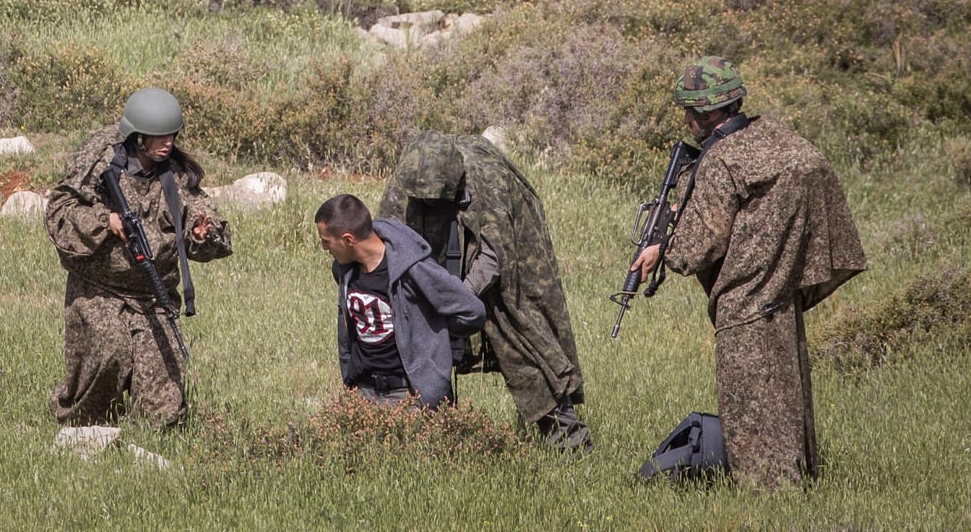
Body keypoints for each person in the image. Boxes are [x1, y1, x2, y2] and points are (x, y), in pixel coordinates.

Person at [632, 55, 867, 489]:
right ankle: (799, 479)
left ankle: (768, 492)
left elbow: (695, 250)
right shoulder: (779, 140)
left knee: (752, 402)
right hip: (782, 292)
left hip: (744, 301)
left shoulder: (722, 160)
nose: (686, 120)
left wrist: (664, 242)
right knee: (787, 395)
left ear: (710, 112)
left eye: (690, 111)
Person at [376, 132, 591, 452]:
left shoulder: (487, 184)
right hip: (428, 268)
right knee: (417, 335)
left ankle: (568, 442)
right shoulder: (406, 184)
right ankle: (431, 437)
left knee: (524, 340)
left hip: (502, 271)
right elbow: (386, 243)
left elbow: (495, 256)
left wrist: (459, 297)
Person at [45, 86, 232, 429]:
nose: (168, 144)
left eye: (172, 136)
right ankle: (84, 430)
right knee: (108, 353)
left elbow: (206, 220)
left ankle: (151, 442)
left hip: (153, 291)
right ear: (137, 136)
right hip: (99, 287)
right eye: (159, 137)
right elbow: (61, 212)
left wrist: (203, 235)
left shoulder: (174, 177)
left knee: (164, 395)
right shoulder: (100, 162)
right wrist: (105, 221)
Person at [315, 193, 486, 408]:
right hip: (362, 394)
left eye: (326, 242)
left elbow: (472, 311)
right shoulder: (343, 270)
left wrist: (433, 338)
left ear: (349, 239)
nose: (325, 249)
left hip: (411, 397)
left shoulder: (414, 268)